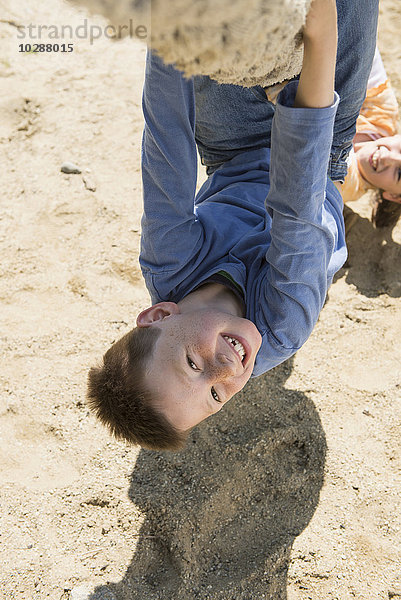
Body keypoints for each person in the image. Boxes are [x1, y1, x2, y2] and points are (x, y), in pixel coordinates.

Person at [87, 0, 379, 451]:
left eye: (192, 363)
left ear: (160, 314)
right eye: (216, 396)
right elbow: (297, 202)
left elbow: (167, 145)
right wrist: (319, 35)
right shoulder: (283, 325)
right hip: (322, 153)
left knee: (206, 21)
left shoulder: (169, 266)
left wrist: (169, 25)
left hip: (234, 146)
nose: (225, 371)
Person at [340, 47, 401, 228]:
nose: (387, 157)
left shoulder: (347, 184)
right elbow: (364, 51)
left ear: (393, 196)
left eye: (399, 173)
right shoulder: (384, 115)